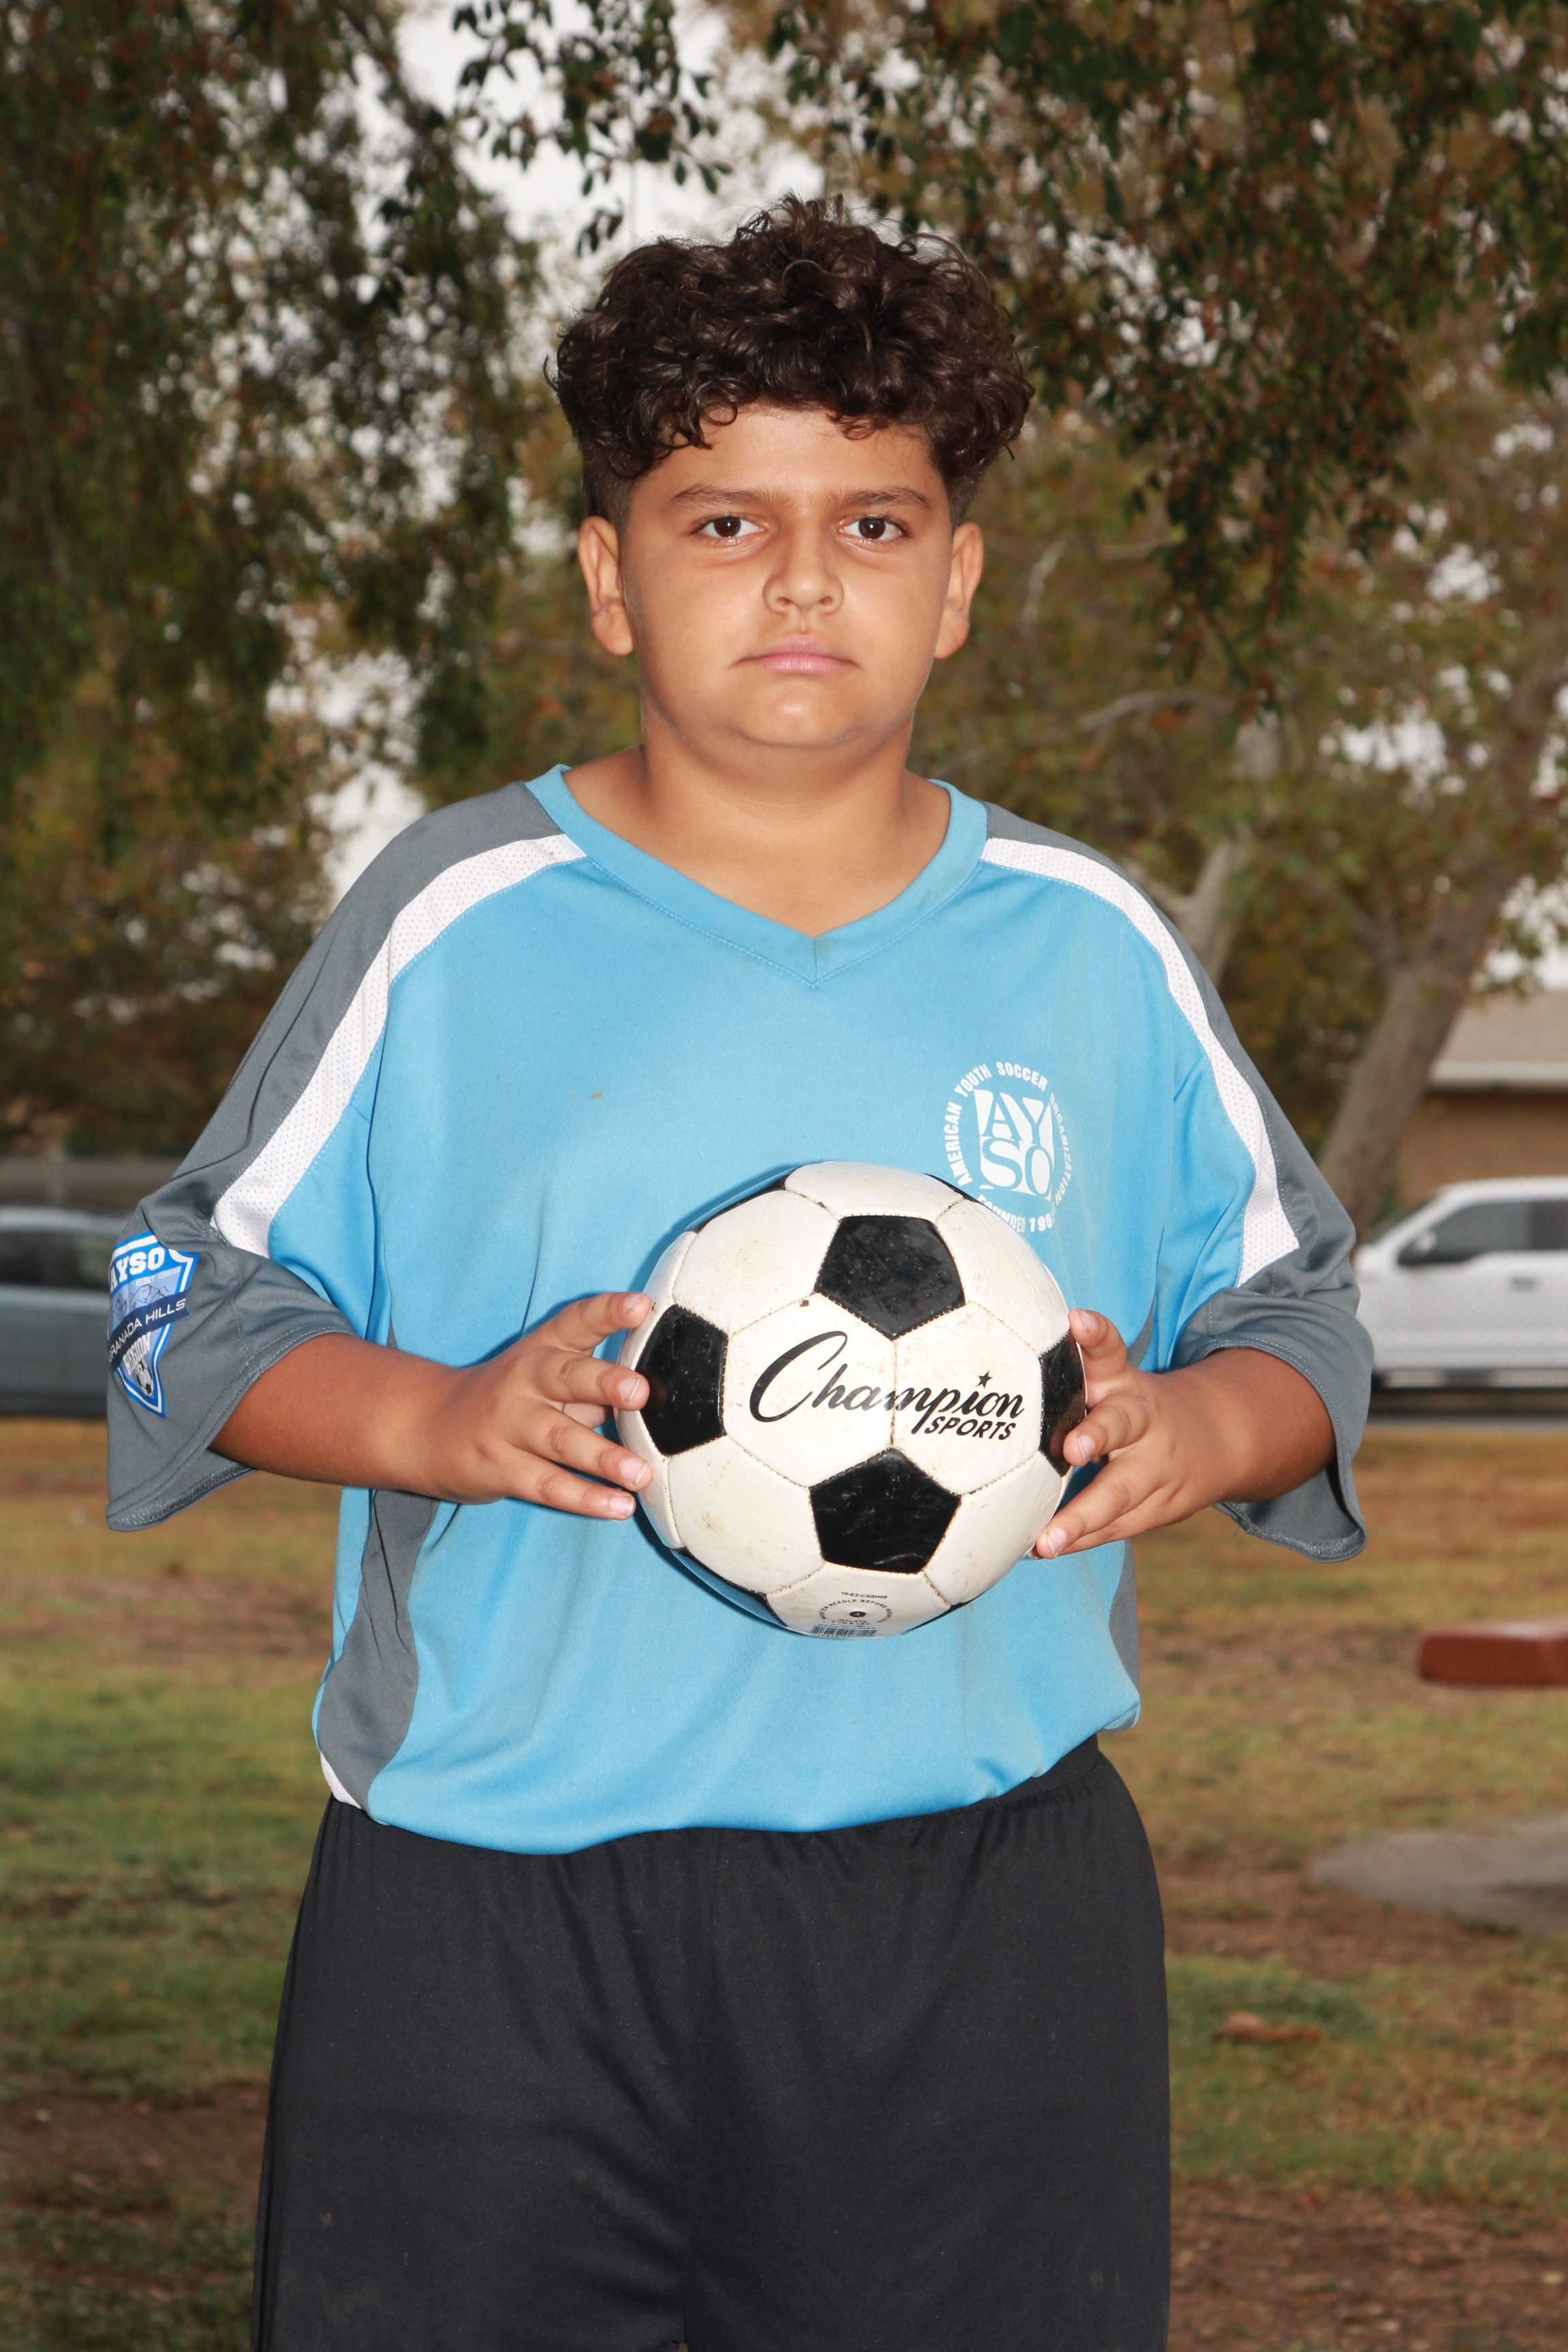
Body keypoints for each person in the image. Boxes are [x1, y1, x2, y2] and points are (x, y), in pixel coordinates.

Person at [106, 197, 1371, 2352]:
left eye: (873, 525)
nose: (803, 582)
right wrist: (435, 1416)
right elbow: (171, 1291)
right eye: (723, 523)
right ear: (611, 577)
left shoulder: (1090, 945)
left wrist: (1206, 1425)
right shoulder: (453, 915)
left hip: (984, 1917)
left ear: (957, 580)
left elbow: (1306, 1316)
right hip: (492, 1918)